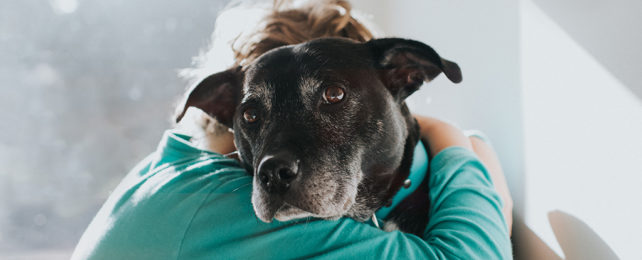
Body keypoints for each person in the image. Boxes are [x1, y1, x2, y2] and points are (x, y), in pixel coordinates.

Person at [72, 1, 513, 259]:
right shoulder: (226, 205)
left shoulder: (171, 172)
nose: (275, 158)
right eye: (254, 115)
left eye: (332, 97)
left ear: (398, 78)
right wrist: (456, 141)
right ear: (223, 107)